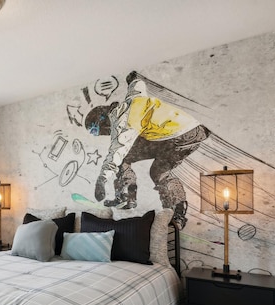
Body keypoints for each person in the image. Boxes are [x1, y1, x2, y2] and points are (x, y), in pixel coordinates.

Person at [84, 71, 210, 228]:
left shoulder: (121, 123)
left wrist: (102, 179)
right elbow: (137, 86)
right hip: (194, 133)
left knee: (123, 157)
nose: (102, 135)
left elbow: (116, 152)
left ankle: (126, 195)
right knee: (159, 172)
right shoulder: (134, 99)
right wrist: (133, 79)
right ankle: (177, 211)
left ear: (103, 121)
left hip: (172, 137)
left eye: (96, 131)